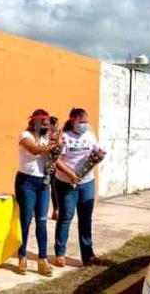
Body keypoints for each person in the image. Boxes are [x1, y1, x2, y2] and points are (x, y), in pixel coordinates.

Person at [54, 108, 107, 267]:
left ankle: (88, 255)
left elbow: (96, 152)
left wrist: (99, 156)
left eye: (86, 121)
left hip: (87, 183)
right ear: (72, 120)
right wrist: (71, 175)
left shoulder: (90, 135)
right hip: (66, 183)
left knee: (85, 219)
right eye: (81, 121)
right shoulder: (63, 137)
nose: (85, 124)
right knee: (66, 217)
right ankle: (60, 253)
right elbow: (56, 159)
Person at [15, 109, 58, 276]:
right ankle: (22, 256)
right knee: (25, 221)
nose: (46, 127)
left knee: (42, 221)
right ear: (35, 122)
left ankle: (42, 260)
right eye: (44, 124)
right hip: (26, 182)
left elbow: (50, 156)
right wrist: (55, 145)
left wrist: (54, 161)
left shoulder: (46, 138)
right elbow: (34, 150)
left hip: (43, 182)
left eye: (48, 124)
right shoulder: (25, 135)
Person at [48, 116, 61, 220]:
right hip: (47, 164)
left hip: (56, 164)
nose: (57, 126)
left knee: (54, 188)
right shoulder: (45, 135)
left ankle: (56, 210)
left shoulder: (59, 134)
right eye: (56, 124)